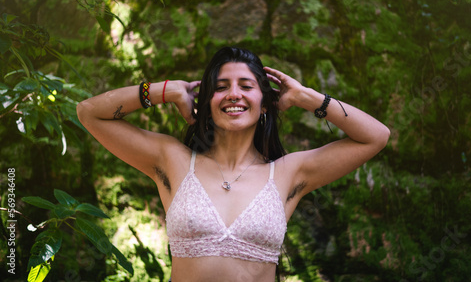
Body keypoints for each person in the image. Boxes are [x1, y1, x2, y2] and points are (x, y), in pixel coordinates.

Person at [77, 47, 390, 282]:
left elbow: (375, 137)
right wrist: (166, 90)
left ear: (265, 103)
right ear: (206, 100)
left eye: (246, 85)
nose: (234, 95)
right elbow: (89, 111)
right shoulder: (173, 160)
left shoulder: (286, 173)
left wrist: (307, 97)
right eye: (221, 86)